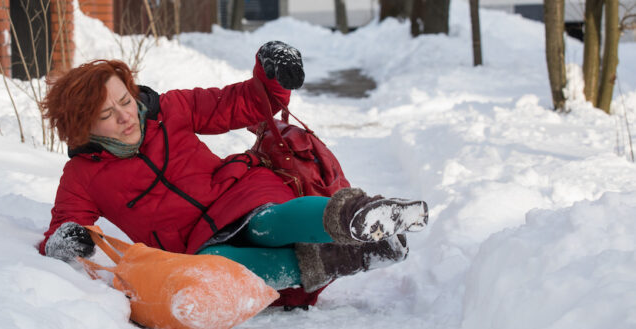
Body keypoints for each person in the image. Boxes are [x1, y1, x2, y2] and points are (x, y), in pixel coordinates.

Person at [39, 41, 428, 295]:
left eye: (125, 100)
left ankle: (360, 213)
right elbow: (63, 225)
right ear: (82, 127)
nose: (126, 116)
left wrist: (271, 79)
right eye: (107, 114)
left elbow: (236, 103)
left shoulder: (171, 109)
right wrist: (64, 240)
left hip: (238, 194)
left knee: (266, 222)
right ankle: (350, 256)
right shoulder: (83, 176)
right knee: (221, 266)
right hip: (198, 245)